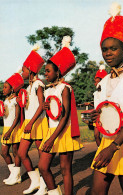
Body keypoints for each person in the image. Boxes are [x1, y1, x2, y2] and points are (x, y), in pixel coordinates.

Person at [90, 3, 123, 195]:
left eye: (113, 49)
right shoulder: (104, 81)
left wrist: (113, 147)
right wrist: (96, 120)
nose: (108, 53)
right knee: (96, 192)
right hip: (106, 141)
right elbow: (104, 110)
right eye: (104, 49)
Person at [38, 36, 83, 195]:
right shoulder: (48, 90)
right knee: (43, 167)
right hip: (51, 130)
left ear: (58, 72)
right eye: (45, 71)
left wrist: (52, 139)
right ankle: (54, 192)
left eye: (49, 71)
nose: (46, 73)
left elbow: (64, 116)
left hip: (63, 132)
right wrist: (45, 107)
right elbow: (53, 112)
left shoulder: (65, 88)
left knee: (65, 169)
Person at [18, 47, 48, 195]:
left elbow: (42, 105)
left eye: (23, 70)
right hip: (29, 122)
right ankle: (35, 181)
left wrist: (31, 123)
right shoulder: (29, 86)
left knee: (42, 156)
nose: (21, 73)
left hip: (38, 122)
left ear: (30, 70)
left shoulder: (38, 85)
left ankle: (44, 185)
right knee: (21, 152)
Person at [1, 73, 24, 185]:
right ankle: (14, 174)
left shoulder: (16, 100)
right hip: (6, 128)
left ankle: (16, 176)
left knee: (15, 152)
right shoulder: (5, 101)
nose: (3, 89)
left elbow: (17, 117)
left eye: (5, 87)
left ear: (12, 89)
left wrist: (10, 131)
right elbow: (6, 116)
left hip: (13, 129)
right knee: (4, 152)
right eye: (3, 87)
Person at [93, 65, 107, 147]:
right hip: (97, 117)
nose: (96, 84)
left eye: (98, 82)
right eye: (95, 82)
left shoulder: (106, 93)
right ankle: (100, 149)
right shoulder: (95, 93)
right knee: (96, 135)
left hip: (105, 116)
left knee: (107, 135)